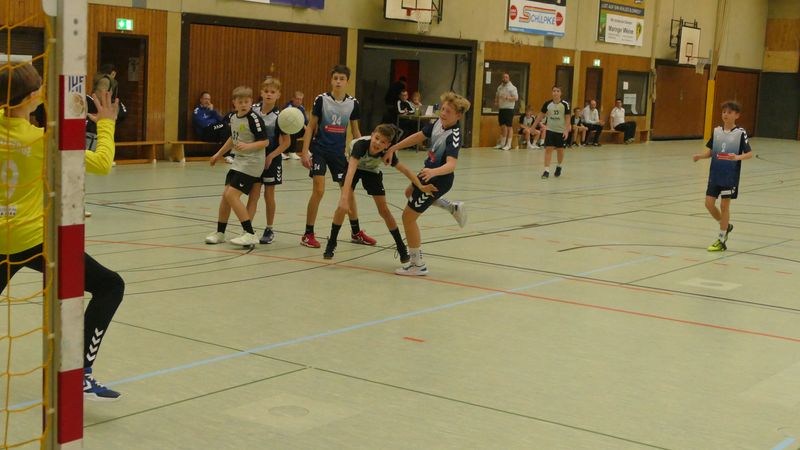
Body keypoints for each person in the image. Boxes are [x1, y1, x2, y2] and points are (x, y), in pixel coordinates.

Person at [1, 64, 125, 401]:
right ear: (32, 96)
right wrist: (106, 124)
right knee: (110, 286)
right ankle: (80, 373)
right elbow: (102, 163)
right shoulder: (42, 141)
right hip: (32, 241)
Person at [384, 92, 471, 276]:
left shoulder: (454, 135)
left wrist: (433, 172)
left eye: (448, 111)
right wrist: (394, 147)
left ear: (458, 115)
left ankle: (417, 264)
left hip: (438, 179)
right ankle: (451, 207)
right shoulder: (438, 123)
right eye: (443, 109)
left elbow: (451, 165)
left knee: (408, 218)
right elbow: (419, 136)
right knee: (409, 193)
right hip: (427, 173)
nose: (443, 113)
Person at [323, 124, 437, 262]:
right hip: (353, 167)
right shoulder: (360, 146)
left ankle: (401, 247)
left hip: (372, 171)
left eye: (383, 142)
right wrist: (344, 198)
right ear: (372, 135)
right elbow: (351, 171)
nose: (377, 143)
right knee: (342, 206)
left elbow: (405, 170)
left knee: (384, 210)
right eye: (376, 138)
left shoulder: (387, 152)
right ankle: (332, 242)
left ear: (388, 145)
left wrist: (421, 186)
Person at [300, 65, 375, 248]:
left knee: (348, 192)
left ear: (347, 81)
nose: (338, 82)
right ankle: (308, 234)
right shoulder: (321, 100)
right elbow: (310, 127)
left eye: (342, 79)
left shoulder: (353, 103)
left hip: (339, 153)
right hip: (320, 150)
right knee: (319, 190)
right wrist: (304, 152)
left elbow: (356, 131)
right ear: (331, 80)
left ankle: (356, 232)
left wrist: (363, 153)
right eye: (336, 78)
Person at [205, 86, 269, 247]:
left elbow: (265, 141)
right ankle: (220, 233)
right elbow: (232, 139)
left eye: (246, 101)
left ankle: (250, 233)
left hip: (252, 162)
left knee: (232, 195)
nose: (243, 105)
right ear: (234, 103)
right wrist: (218, 154)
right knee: (225, 195)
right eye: (240, 102)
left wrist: (248, 146)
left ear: (251, 102)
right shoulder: (233, 117)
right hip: (239, 161)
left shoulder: (253, 119)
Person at [692, 100, 753, 252]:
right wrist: (700, 156)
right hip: (715, 174)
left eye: (729, 112)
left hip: (729, 176)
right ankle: (725, 225)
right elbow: (711, 152)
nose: (726, 115)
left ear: (737, 115)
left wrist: (737, 157)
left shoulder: (740, 133)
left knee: (724, 206)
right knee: (708, 204)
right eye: (724, 112)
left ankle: (721, 239)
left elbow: (749, 154)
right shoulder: (717, 131)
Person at [248, 77, 291, 245]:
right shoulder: (253, 110)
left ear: (278, 95)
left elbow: (286, 142)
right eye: (266, 91)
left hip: (271, 160)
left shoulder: (280, 117)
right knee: (253, 194)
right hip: (254, 159)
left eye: (272, 92)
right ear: (261, 93)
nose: (269, 94)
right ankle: (247, 229)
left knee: (268, 194)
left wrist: (271, 156)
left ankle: (269, 228)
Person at [532, 86, 571, 179]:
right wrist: (533, 127)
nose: (555, 93)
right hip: (550, 130)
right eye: (554, 91)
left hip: (560, 131)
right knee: (548, 149)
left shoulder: (565, 104)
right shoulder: (547, 104)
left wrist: (566, 130)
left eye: (557, 91)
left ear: (560, 93)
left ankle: (559, 166)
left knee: (560, 150)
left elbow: (568, 117)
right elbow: (540, 116)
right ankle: (546, 170)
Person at [494, 72, 518, 151]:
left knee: (509, 126)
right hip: (502, 109)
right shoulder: (500, 87)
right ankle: (502, 144)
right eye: (504, 77)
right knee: (502, 126)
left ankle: (509, 144)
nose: (505, 78)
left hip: (509, 109)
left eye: (506, 77)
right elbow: (497, 95)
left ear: (509, 78)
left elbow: (516, 98)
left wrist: (508, 98)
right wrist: (496, 101)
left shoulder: (512, 87)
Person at [282, 90, 306, 160]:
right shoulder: (288, 107)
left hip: (297, 127)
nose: (299, 101)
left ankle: (306, 150)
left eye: (300, 99)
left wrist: (307, 127)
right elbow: (288, 121)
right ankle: (291, 152)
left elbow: (305, 121)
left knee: (310, 131)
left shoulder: (301, 108)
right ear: (293, 99)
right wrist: (302, 125)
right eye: (297, 99)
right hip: (286, 128)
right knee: (293, 129)